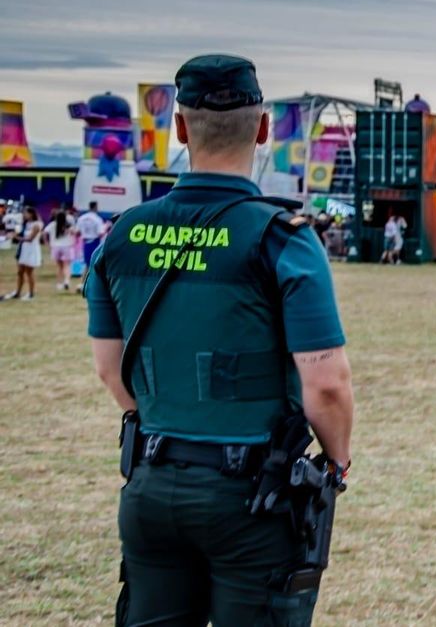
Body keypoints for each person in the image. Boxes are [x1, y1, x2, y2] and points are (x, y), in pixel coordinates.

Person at [85, 54, 354, 625]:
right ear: (262, 128)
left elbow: (111, 372)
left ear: (179, 128)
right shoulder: (282, 238)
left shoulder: (124, 235)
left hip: (151, 487)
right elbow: (327, 385)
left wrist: (167, 425)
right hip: (252, 498)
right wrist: (336, 464)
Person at [2, 206, 43, 300]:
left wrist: (15, 237)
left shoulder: (37, 224)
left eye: (26, 213)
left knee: (29, 272)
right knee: (20, 272)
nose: (24, 215)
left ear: (31, 214)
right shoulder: (26, 224)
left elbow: (30, 239)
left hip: (31, 250)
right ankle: (18, 292)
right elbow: (21, 235)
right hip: (24, 249)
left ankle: (31, 293)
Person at [43, 207, 77, 291]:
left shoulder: (52, 224)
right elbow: (75, 233)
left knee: (59, 266)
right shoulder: (68, 226)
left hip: (55, 246)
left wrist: (46, 242)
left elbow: (44, 232)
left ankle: (59, 284)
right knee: (67, 265)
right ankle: (67, 281)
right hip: (67, 246)